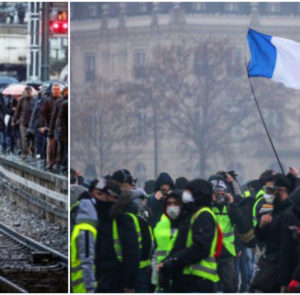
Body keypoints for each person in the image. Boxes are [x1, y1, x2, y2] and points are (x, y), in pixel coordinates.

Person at [157, 179, 221, 293]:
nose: (185, 196)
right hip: (189, 280)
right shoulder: (194, 214)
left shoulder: (203, 214)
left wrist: (174, 261)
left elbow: (201, 248)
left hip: (199, 280)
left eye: (189, 193)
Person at [94, 179, 140, 293]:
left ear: (111, 196)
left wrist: (129, 285)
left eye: (100, 194)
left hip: (117, 281)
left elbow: (132, 254)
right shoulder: (102, 219)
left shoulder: (122, 220)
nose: (96, 198)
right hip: (104, 280)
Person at [251, 174, 293, 292]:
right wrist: (261, 226)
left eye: (271, 190)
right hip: (270, 265)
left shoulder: (290, 213)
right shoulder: (272, 210)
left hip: (282, 270)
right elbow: (262, 237)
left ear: (281, 191)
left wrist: (283, 282)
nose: (268, 194)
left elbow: (287, 250)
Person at [209, 174, 241, 293]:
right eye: (216, 192)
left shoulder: (229, 206)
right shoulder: (207, 208)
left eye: (222, 191)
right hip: (211, 252)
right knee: (210, 287)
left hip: (228, 251)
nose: (219, 195)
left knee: (230, 287)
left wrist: (232, 204)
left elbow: (240, 223)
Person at [152, 189, 183, 291]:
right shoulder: (161, 225)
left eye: (175, 203)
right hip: (162, 277)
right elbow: (155, 252)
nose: (172, 206)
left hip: (182, 279)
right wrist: (154, 279)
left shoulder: (189, 223)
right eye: (169, 203)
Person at [71, 180, 99, 293]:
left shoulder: (84, 228)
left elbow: (87, 261)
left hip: (83, 288)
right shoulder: (85, 224)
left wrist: (90, 289)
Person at [39, 83, 61, 170]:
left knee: (58, 147)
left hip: (59, 127)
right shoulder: (47, 101)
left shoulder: (61, 101)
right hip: (50, 126)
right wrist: (42, 126)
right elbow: (42, 114)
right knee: (51, 146)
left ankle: (57, 162)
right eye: (54, 90)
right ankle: (50, 162)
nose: (56, 91)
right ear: (51, 91)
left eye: (57, 89)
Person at [12, 87, 34, 159]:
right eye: (26, 92)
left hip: (32, 122)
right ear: (24, 92)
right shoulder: (21, 100)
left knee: (31, 138)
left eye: (29, 92)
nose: (28, 93)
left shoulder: (34, 100)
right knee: (24, 138)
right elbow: (17, 111)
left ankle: (31, 150)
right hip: (23, 122)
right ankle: (24, 153)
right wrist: (14, 120)